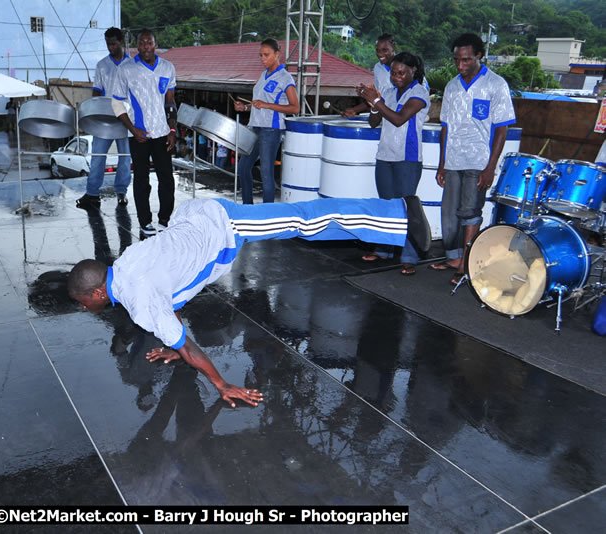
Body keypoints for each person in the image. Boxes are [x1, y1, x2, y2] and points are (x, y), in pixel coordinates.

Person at [67, 195, 432, 407]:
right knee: (303, 222)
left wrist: (222, 385)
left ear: (97, 293)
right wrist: (172, 344)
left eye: (83, 302)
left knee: (304, 219)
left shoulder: (139, 302)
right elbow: (168, 298)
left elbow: (190, 346)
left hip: (225, 226)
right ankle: (394, 220)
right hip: (198, 216)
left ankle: (399, 215)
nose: (85, 308)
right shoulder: (125, 264)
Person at [431, 33, 515, 284]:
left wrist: (490, 168)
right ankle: (455, 258)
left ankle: (466, 265)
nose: (460, 65)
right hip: (453, 160)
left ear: (479, 55)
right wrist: (442, 163)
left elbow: (502, 129)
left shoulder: (496, 84)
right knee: (450, 215)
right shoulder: (452, 86)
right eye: (457, 60)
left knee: (470, 212)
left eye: (466, 60)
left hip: (479, 161)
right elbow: (445, 127)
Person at [356, 52, 430, 275]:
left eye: (401, 73)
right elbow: (373, 122)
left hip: (407, 158)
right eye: (393, 73)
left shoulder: (419, 92)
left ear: (413, 71)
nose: (396, 77)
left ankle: (410, 257)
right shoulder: (388, 91)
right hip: (385, 156)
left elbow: (398, 119)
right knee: (386, 206)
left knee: (406, 208)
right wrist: (372, 103)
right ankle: (384, 249)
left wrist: (377, 101)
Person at [111, 28, 177, 237]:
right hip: (139, 135)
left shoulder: (167, 68)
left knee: (166, 178)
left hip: (162, 133)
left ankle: (165, 220)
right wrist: (133, 129)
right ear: (136, 45)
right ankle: (144, 222)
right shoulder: (126, 69)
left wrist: (173, 129)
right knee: (141, 180)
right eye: (142, 43)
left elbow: (170, 102)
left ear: (155, 44)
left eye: (149, 43)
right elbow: (116, 103)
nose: (145, 47)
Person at [233, 38, 299, 204]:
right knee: (243, 167)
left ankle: (267, 214)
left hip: (271, 130)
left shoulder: (285, 78)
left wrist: (267, 105)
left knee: (266, 173)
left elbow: (295, 108)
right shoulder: (263, 75)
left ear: (277, 54)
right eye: (261, 55)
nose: (263, 58)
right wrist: (245, 108)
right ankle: (248, 207)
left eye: (266, 55)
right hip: (255, 127)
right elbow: (258, 105)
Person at [76, 27, 132, 210]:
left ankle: (121, 192)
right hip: (105, 118)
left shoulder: (132, 65)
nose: (110, 47)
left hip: (125, 117)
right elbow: (97, 91)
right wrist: (93, 110)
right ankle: (92, 193)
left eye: (114, 44)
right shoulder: (102, 65)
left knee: (125, 157)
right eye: (108, 44)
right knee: (98, 156)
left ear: (121, 42)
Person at [344, 34, 397, 118]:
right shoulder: (378, 68)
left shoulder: (406, 66)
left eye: (384, 50)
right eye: (377, 50)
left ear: (394, 48)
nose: (380, 54)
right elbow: (377, 98)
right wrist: (355, 109)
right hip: (385, 121)